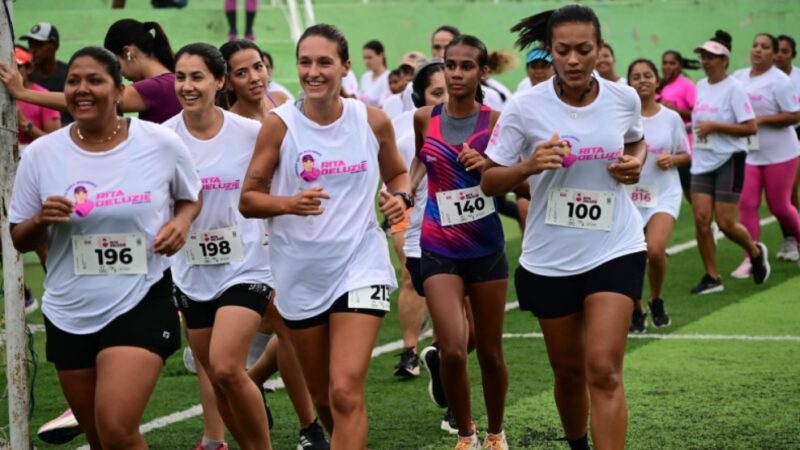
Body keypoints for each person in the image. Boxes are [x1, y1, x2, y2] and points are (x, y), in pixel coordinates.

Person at [8, 46, 202, 450]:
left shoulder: (160, 143)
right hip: (69, 308)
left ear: (118, 90)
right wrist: (42, 220)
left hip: (140, 297)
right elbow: (18, 237)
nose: (82, 89)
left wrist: (181, 222)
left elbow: (190, 197)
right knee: (98, 437)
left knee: (115, 425)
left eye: (95, 80)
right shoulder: (43, 154)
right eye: (74, 80)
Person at [239, 24, 411, 449]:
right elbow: (248, 199)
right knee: (323, 398)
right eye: (305, 62)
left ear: (345, 67)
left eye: (324, 62)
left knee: (345, 390)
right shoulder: (280, 127)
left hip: (360, 266)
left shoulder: (371, 121)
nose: (313, 72)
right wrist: (289, 204)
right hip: (299, 275)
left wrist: (400, 198)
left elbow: (398, 174)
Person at [484, 6, 649, 449]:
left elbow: (635, 138)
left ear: (600, 50)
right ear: (550, 52)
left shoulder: (623, 98)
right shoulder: (524, 107)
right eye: (563, 51)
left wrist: (636, 163)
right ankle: (577, 443)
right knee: (570, 372)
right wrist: (529, 165)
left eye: (584, 49)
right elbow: (488, 180)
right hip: (550, 256)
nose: (574, 60)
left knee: (604, 369)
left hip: (615, 244)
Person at [163, 42, 275, 450]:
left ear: (219, 81)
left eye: (197, 76)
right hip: (191, 271)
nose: (187, 86)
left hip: (247, 265)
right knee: (215, 375)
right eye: (180, 77)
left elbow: (277, 186)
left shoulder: (250, 133)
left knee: (227, 366)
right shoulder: (162, 139)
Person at [410, 34, 508, 450]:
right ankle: (466, 433)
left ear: (482, 72)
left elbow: (509, 172)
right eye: (451, 65)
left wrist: (488, 164)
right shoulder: (423, 118)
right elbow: (420, 157)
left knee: (488, 351)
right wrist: (404, 189)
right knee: (451, 349)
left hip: (486, 249)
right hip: (438, 246)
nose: (457, 73)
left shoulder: (496, 121)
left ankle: (495, 433)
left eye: (467, 66)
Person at [689, 30, 770, 293]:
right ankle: (711, 276)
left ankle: (755, 251)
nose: (706, 60)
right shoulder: (700, 86)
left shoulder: (735, 88)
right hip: (702, 160)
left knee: (725, 223)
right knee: (701, 220)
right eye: (703, 56)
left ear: (724, 60)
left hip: (729, 159)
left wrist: (716, 126)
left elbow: (750, 128)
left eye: (711, 56)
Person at [0, 19, 181, 125]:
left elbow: (92, 100)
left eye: (117, 64)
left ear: (128, 52)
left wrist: (23, 93)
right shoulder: (170, 81)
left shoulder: (158, 87)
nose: (120, 73)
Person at [389, 60, 446, 382]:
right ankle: (410, 350)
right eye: (437, 93)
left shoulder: (475, 123)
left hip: (458, 221)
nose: (445, 99)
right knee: (411, 277)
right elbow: (394, 177)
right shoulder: (402, 129)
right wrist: (399, 201)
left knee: (457, 291)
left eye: (449, 90)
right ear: (420, 97)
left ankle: (441, 351)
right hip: (410, 211)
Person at [626, 59, 690, 333]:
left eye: (647, 75)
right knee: (629, 257)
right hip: (630, 196)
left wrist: (673, 159)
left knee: (655, 249)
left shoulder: (671, 117)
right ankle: (636, 307)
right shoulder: (623, 118)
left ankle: (656, 298)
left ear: (656, 81)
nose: (642, 80)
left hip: (664, 193)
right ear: (629, 84)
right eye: (636, 77)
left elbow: (687, 155)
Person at [730, 33, 800, 278]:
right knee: (747, 204)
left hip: (781, 153)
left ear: (773, 54)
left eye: (765, 47)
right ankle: (752, 258)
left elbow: (794, 115)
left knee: (780, 206)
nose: (758, 50)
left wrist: (761, 120)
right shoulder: (738, 78)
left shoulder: (779, 81)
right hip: (750, 153)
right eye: (755, 45)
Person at [658, 49, 699, 204]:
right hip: (666, 147)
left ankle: (707, 224)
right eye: (665, 63)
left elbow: (698, 115)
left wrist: (676, 110)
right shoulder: (661, 85)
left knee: (691, 191)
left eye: (672, 63)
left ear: (680, 65)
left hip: (685, 147)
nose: (667, 67)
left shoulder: (687, 85)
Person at [775, 34, 800, 262]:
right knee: (788, 192)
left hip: (797, 132)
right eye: (778, 50)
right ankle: (791, 238)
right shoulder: (765, 79)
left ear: (793, 54)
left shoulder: (798, 78)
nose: (780, 55)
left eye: (785, 51)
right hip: (779, 139)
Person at [220, 39, 289, 120]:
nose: (254, 78)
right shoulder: (231, 124)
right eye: (241, 73)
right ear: (228, 82)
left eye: (258, 67)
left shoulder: (281, 100)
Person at [19, 22, 72, 124]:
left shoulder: (69, 74)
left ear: (55, 46)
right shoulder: (28, 76)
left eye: (39, 45)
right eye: (31, 45)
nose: (33, 50)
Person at [15, 46, 60, 146]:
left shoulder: (43, 97)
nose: (12, 72)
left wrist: (24, 123)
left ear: (29, 68)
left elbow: (56, 143)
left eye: (17, 67)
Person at [359, 40, 391, 107]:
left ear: (381, 56)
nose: (366, 62)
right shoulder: (365, 76)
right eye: (364, 58)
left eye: (369, 57)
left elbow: (382, 106)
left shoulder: (389, 78)